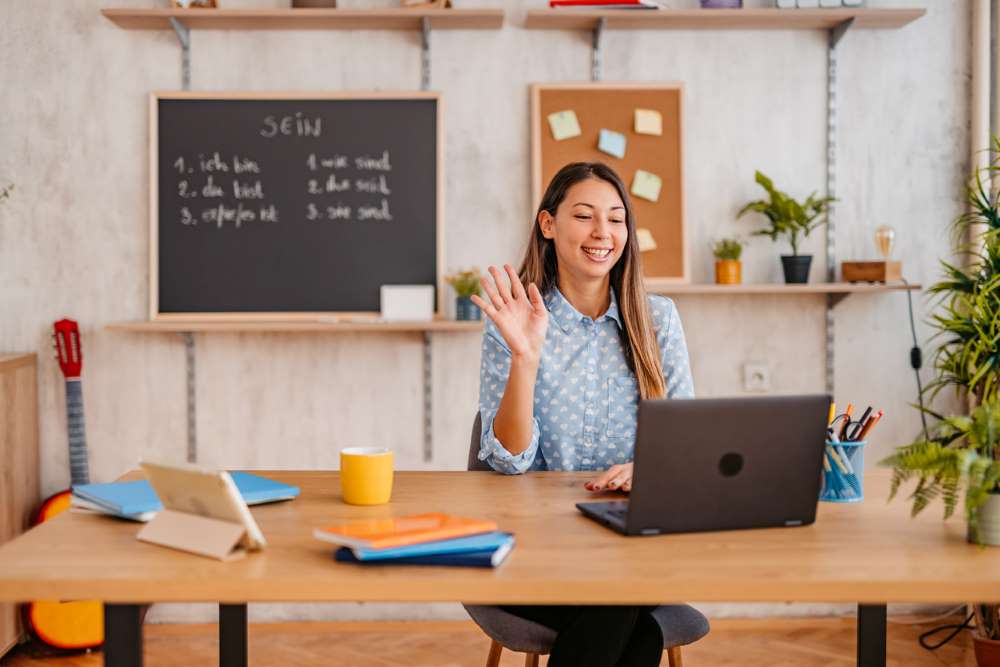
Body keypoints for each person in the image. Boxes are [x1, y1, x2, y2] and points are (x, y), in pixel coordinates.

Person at [470, 161, 695, 667]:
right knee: (636, 630)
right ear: (549, 225)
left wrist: (653, 470)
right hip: (538, 547)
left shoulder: (658, 320)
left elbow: (684, 451)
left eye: (616, 219)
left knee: (617, 598)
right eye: (585, 216)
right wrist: (526, 357)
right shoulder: (516, 318)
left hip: (637, 541)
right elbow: (508, 462)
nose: (603, 233)